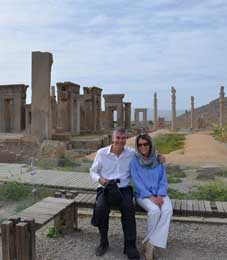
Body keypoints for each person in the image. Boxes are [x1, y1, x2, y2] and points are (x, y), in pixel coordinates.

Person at [90, 128, 140, 260]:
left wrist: (158, 157)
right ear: (113, 138)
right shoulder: (102, 153)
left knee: (129, 210)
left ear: (126, 139)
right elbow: (93, 171)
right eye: (118, 137)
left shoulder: (132, 153)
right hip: (106, 187)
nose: (120, 140)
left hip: (124, 188)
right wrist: (100, 179)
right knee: (100, 209)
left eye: (123, 138)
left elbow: (147, 155)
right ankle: (103, 242)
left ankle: (130, 246)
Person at [130, 133, 172, 260]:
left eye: (145, 144)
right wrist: (151, 197)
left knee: (167, 210)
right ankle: (151, 245)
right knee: (154, 211)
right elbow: (137, 182)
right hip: (143, 195)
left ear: (150, 144)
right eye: (140, 145)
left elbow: (163, 180)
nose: (142, 147)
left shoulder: (158, 159)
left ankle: (150, 244)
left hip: (160, 193)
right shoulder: (135, 160)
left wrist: (159, 194)